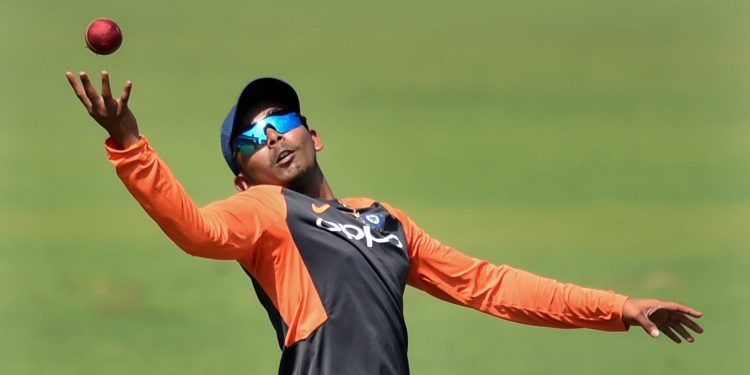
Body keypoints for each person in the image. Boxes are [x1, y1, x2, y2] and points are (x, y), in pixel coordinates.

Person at [65, 70, 703, 374]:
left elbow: (492, 286)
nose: (273, 138)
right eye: (252, 140)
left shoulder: (387, 221)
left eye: (282, 121)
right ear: (243, 178)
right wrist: (129, 142)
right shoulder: (263, 212)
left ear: (314, 133)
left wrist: (617, 307)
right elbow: (194, 231)